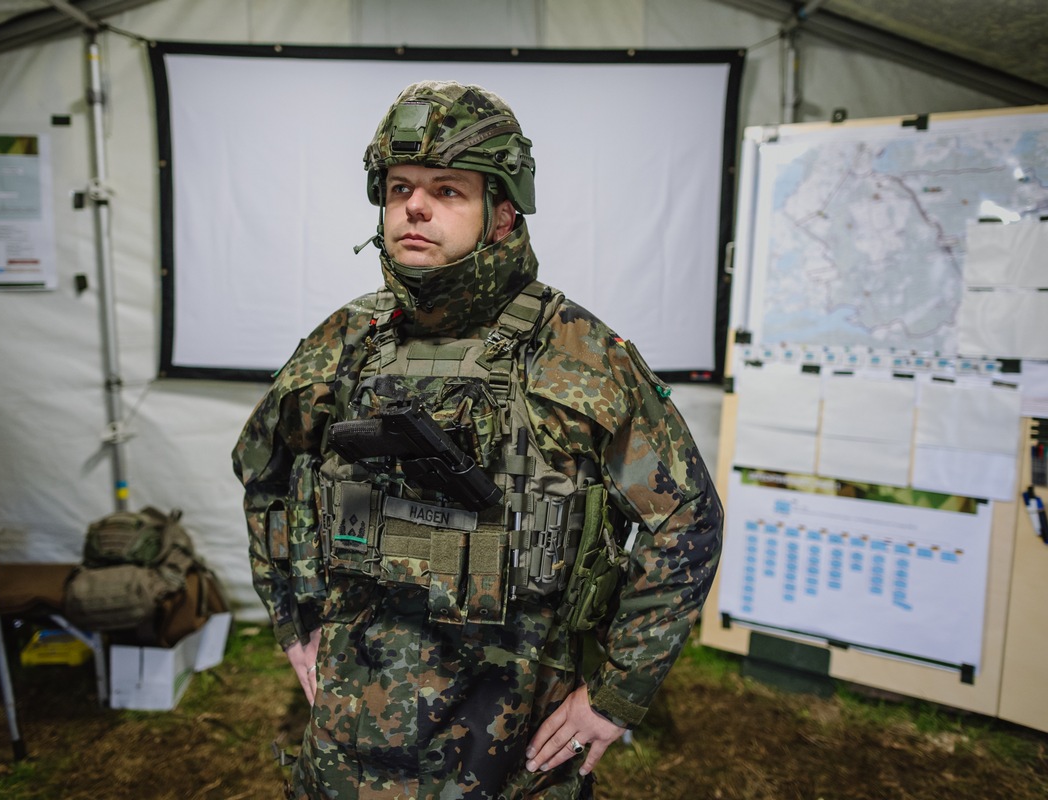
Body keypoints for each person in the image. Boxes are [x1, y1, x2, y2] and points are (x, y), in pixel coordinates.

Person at [233, 80, 723, 799]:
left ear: (502, 211)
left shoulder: (578, 353)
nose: (415, 208)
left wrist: (615, 695)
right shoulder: (346, 341)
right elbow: (266, 471)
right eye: (399, 188)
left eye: (447, 191)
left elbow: (687, 522)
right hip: (349, 754)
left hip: (510, 759)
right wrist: (294, 619)